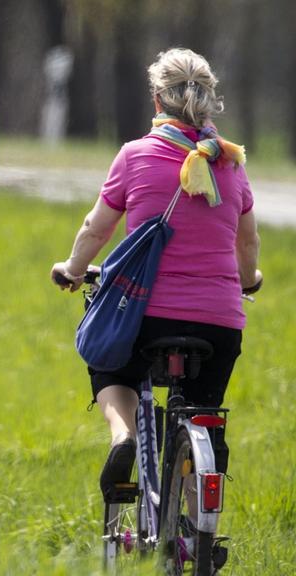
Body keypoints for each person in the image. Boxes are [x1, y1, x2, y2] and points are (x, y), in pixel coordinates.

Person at [50, 48, 262, 499]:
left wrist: (71, 269)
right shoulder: (232, 165)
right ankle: (198, 529)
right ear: (208, 102)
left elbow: (95, 229)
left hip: (145, 318)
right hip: (219, 323)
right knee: (205, 409)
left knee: (111, 366)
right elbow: (247, 245)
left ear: (156, 101)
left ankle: (123, 436)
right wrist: (248, 281)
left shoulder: (134, 156)